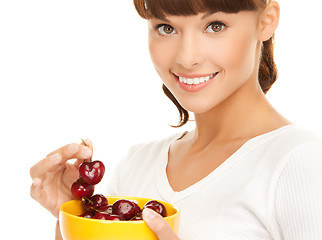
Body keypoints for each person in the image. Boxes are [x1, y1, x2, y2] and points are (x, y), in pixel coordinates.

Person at [30, 0, 322, 239]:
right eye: (166, 27)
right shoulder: (136, 166)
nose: (187, 57)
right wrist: (73, 220)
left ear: (266, 21)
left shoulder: (300, 162)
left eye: (215, 26)